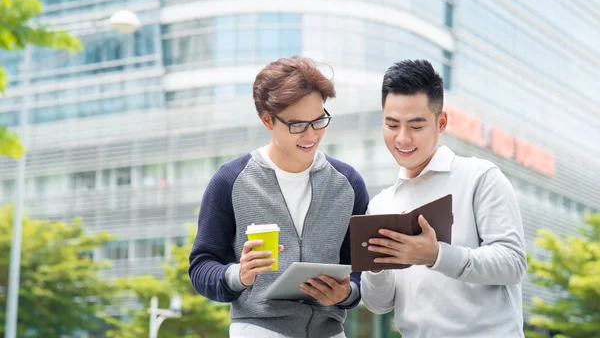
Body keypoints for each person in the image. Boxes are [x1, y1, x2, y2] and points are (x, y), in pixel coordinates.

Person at [189, 56, 369, 338]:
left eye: (319, 120)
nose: (311, 135)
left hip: (331, 331)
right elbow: (201, 267)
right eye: (297, 124)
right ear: (267, 120)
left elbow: (359, 269)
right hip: (258, 328)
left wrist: (347, 293)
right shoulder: (230, 181)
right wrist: (240, 275)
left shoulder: (348, 184)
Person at [361, 59, 527, 337]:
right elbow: (378, 305)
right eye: (392, 125)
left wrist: (437, 255)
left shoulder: (480, 177)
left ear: (441, 122)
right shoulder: (380, 204)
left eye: (416, 126)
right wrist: (377, 268)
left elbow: (512, 263)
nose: (402, 138)